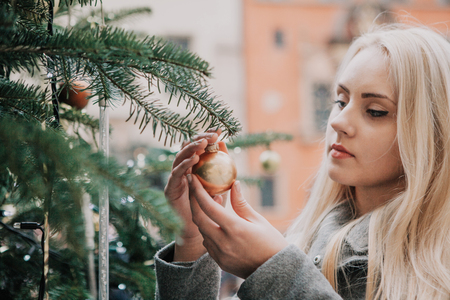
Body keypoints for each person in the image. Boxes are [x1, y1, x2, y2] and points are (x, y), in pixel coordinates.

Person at [154, 23, 450, 299]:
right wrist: (191, 240)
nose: (338, 122)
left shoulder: (436, 271)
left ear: (430, 136)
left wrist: (273, 270)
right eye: (341, 101)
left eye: (374, 111)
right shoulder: (303, 240)